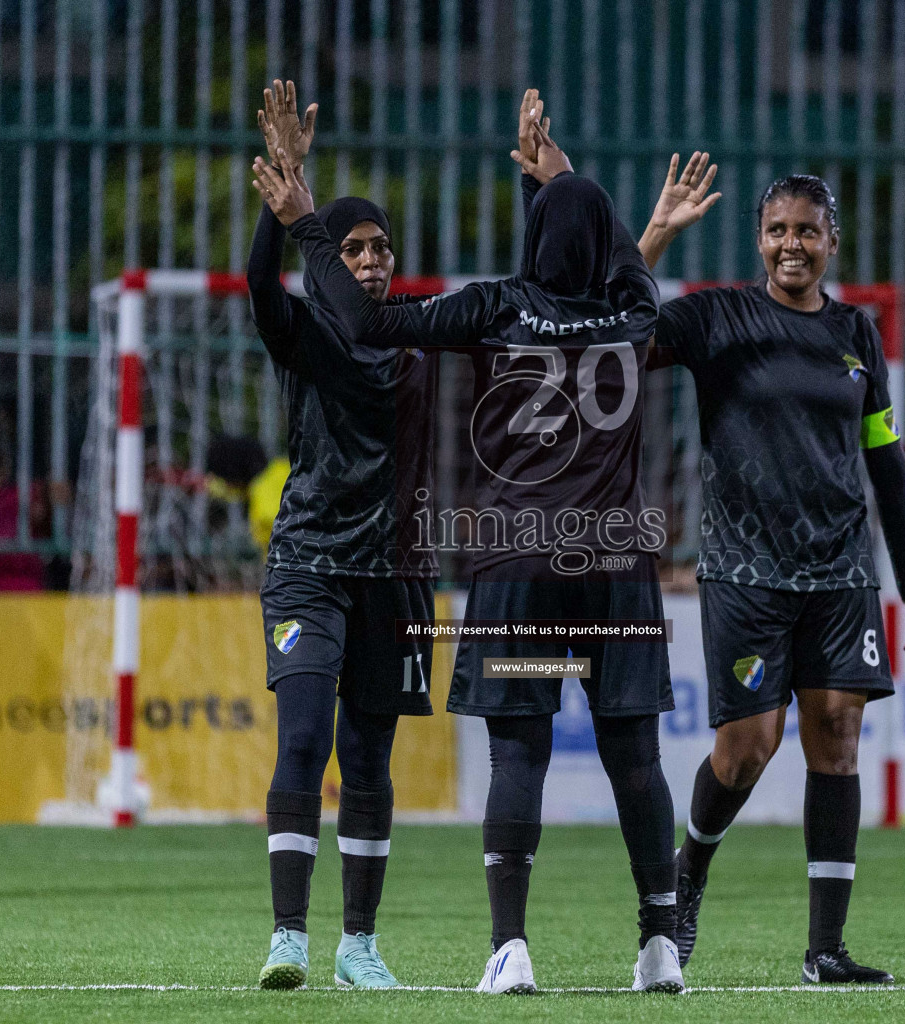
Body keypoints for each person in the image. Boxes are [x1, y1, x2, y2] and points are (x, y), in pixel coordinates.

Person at [253, 90, 685, 995]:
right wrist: (559, 178)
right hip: (617, 566)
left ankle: (510, 948)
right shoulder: (635, 312)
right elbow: (610, 255)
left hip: (520, 562)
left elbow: (372, 323)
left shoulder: (494, 309)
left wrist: (304, 224)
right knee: (636, 757)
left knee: (519, 750)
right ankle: (658, 946)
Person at [638, 165, 905, 983]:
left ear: (831, 242)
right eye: (777, 230)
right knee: (747, 750)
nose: (791, 244)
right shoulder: (716, 316)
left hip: (840, 569)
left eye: (807, 230)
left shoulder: (858, 334)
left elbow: (887, 460)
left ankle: (825, 951)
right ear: (759, 240)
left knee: (837, 738)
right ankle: (685, 876)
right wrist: (657, 233)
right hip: (744, 568)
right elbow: (619, 336)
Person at [246, 80, 439, 990]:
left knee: (368, 758)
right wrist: (283, 207)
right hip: (309, 566)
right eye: (353, 247)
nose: (367, 260)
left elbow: (369, 382)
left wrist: (306, 218)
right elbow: (261, 289)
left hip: (393, 574)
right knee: (303, 738)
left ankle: (358, 945)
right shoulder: (309, 334)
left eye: (380, 248)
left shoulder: (404, 349)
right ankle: (290, 935)